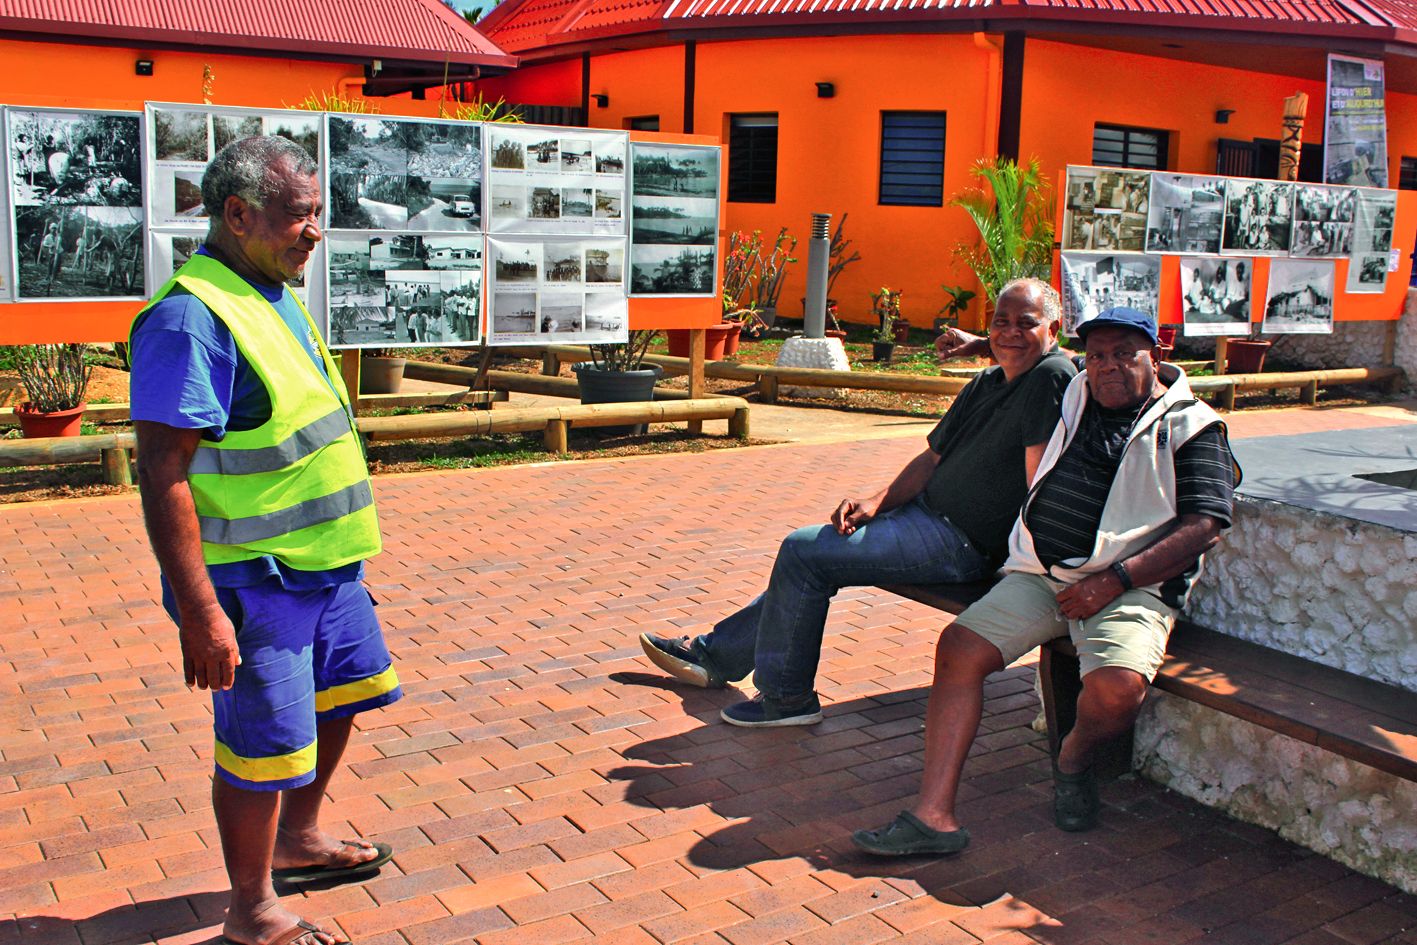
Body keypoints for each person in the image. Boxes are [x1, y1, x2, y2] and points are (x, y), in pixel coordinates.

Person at [129, 136, 400, 945]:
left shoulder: (271, 289)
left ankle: (300, 838)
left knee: (346, 694)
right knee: (261, 743)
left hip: (326, 569)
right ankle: (250, 907)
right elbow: (163, 473)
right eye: (297, 215)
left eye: (317, 213)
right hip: (254, 581)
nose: (313, 231)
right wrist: (201, 613)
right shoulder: (191, 316)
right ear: (238, 214)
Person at [852, 306, 1238, 856]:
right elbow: (1033, 348)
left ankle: (1073, 760)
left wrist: (1114, 580)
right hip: (1042, 574)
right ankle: (932, 817)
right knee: (960, 647)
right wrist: (973, 346)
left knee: (1116, 691)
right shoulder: (1077, 389)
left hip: (1129, 586)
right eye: (1099, 354)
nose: (1108, 366)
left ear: (1157, 355)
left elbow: (1206, 525)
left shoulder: (1192, 427)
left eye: (1125, 353)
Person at [639, 278, 1077, 727]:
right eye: (1000, 323)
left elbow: (1037, 481)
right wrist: (876, 501)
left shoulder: (1050, 376)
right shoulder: (989, 381)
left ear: (1055, 329)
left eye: (1027, 323)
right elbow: (931, 458)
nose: (1009, 333)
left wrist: (1026, 563)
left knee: (804, 552)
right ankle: (717, 657)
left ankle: (785, 700)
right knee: (808, 559)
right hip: (923, 517)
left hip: (960, 544)